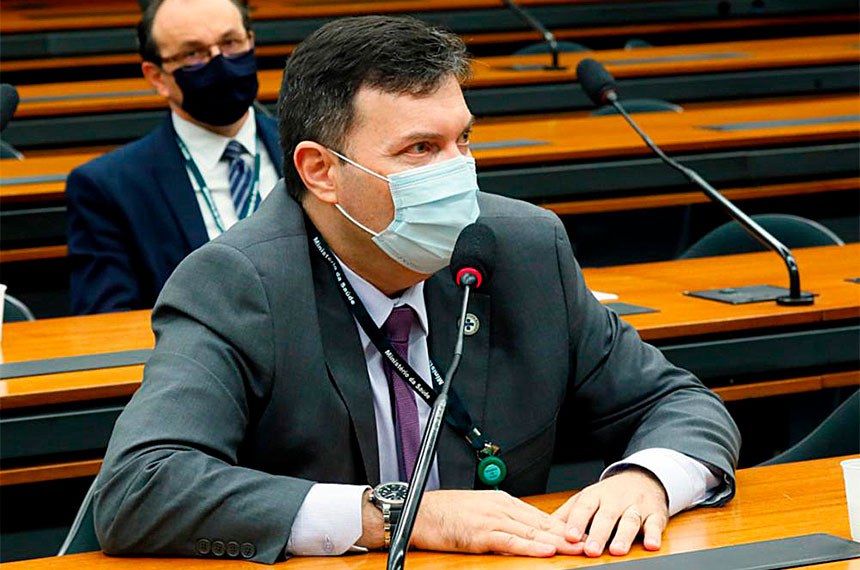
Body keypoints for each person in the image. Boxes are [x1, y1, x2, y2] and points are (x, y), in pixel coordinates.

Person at [93, 16, 740, 564]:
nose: (459, 174)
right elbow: (139, 488)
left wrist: (648, 478)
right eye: (421, 149)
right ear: (321, 171)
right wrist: (398, 514)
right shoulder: (237, 282)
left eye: (463, 140)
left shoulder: (522, 249)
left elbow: (678, 402)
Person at [66, 0, 282, 315]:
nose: (220, 62)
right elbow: (107, 321)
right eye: (193, 54)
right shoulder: (109, 188)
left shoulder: (313, 148)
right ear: (157, 77)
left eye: (230, 43)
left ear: (250, 41)